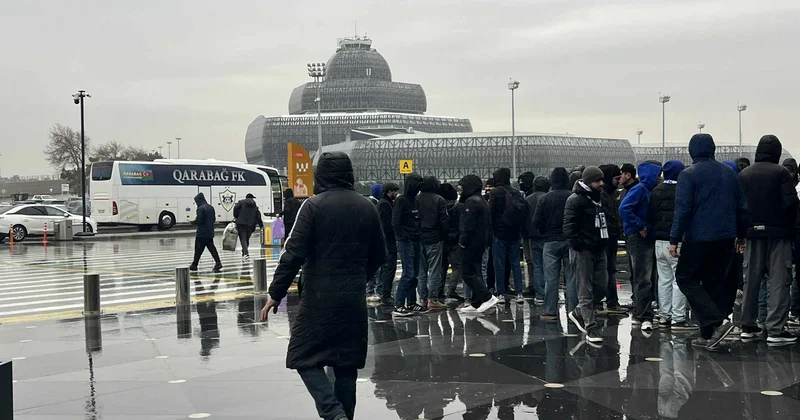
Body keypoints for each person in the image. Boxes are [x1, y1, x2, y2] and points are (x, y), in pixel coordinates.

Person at [260, 151, 386, 420]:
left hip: (319, 296)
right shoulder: (368, 206)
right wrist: (358, 279)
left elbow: (292, 253)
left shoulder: (313, 206)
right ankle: (344, 416)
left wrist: (275, 293)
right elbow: (379, 255)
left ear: (321, 175)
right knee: (346, 363)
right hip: (352, 298)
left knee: (302, 355)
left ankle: (332, 412)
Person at [671, 133, 749, 351]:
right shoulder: (729, 173)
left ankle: (718, 322)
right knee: (714, 283)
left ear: (692, 150)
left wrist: (674, 239)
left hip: (698, 238)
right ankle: (708, 336)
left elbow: (683, 210)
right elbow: (742, 207)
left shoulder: (688, 175)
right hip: (725, 238)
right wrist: (741, 234)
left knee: (685, 278)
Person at [738, 135, 799, 346]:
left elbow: (739, 206)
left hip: (752, 234)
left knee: (751, 280)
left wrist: (742, 231)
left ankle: (748, 325)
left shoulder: (744, 174)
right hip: (778, 234)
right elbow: (791, 204)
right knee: (779, 281)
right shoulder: (781, 172)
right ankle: (775, 329)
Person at [564, 166, 609, 343]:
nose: (601, 183)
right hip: (583, 250)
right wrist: (579, 244)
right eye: (597, 180)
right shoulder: (575, 200)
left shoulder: (599, 198)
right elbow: (569, 227)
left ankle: (577, 312)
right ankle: (591, 327)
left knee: (601, 286)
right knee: (585, 288)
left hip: (599, 247)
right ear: (588, 181)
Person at [648, 160, 696, 330]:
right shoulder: (682, 191)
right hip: (676, 242)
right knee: (678, 280)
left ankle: (664, 316)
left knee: (664, 280)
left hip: (658, 242)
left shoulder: (656, 191)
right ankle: (678, 318)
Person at [619, 161, 662, 331]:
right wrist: (640, 225)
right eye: (657, 174)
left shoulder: (643, 189)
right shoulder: (641, 190)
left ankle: (639, 311)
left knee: (640, 276)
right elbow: (624, 209)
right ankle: (644, 315)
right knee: (643, 277)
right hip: (639, 238)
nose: (659, 178)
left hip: (639, 237)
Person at [533, 167, 575, 319]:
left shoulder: (545, 198)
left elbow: (537, 221)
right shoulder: (573, 196)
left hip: (550, 242)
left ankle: (550, 310)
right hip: (569, 241)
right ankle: (572, 311)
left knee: (551, 279)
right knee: (571, 278)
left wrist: (545, 232)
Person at [456, 174, 500, 313]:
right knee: (476, 271)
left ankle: (487, 297)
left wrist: (463, 241)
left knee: (466, 273)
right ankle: (477, 302)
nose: (460, 190)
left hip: (471, 244)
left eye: (461, 187)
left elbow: (468, 225)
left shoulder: (471, 202)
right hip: (480, 242)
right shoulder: (480, 200)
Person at [488, 168, 525, 304]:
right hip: (514, 234)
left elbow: (490, 213)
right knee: (515, 264)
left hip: (499, 233)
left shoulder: (495, 193)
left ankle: (501, 293)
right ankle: (519, 293)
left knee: (499, 264)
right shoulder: (516, 193)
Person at [392, 173, 427, 317]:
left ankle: (411, 302)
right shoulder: (402, 201)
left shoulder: (415, 201)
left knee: (415, 274)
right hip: (406, 241)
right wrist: (404, 237)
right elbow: (396, 222)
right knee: (408, 273)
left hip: (416, 239)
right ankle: (399, 304)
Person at [597, 164, 627, 314]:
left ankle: (611, 301)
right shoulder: (603, 195)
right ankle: (609, 302)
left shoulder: (610, 193)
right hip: (606, 238)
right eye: (616, 178)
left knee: (610, 270)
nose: (619, 181)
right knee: (607, 270)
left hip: (611, 237)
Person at [416, 176, 448, 310]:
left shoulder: (416, 199)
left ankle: (422, 298)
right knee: (434, 270)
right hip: (434, 238)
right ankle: (432, 299)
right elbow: (444, 220)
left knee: (421, 271)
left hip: (419, 238)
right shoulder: (439, 199)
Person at [371, 182, 400, 304]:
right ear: (389, 191)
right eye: (395, 191)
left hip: (387, 242)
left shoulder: (385, 203)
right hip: (388, 243)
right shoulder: (384, 204)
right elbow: (386, 225)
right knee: (389, 269)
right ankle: (385, 294)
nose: (396, 193)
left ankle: (384, 292)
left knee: (387, 269)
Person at [525, 176, 551, 304]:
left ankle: (540, 294)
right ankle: (551, 294)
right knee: (550, 266)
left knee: (537, 266)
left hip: (533, 236)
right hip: (548, 236)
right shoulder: (549, 198)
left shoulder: (528, 200)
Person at [439, 183, 463, 303]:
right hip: (455, 241)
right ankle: (451, 290)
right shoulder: (458, 207)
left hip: (442, 240)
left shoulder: (439, 206)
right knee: (457, 267)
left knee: (442, 267)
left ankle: (439, 291)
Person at [189, 193, 222, 272]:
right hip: (210, 231)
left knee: (198, 248)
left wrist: (193, 222)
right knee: (211, 248)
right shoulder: (211, 207)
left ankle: (194, 264)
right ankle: (218, 262)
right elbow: (213, 219)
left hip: (202, 232)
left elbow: (199, 220)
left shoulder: (200, 208)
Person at [233, 193, 264, 261]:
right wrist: (261, 225)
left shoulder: (241, 203)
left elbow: (235, 207)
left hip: (241, 223)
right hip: (250, 225)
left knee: (243, 239)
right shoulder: (255, 206)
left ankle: (245, 253)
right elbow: (258, 216)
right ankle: (244, 252)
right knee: (246, 239)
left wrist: (236, 216)